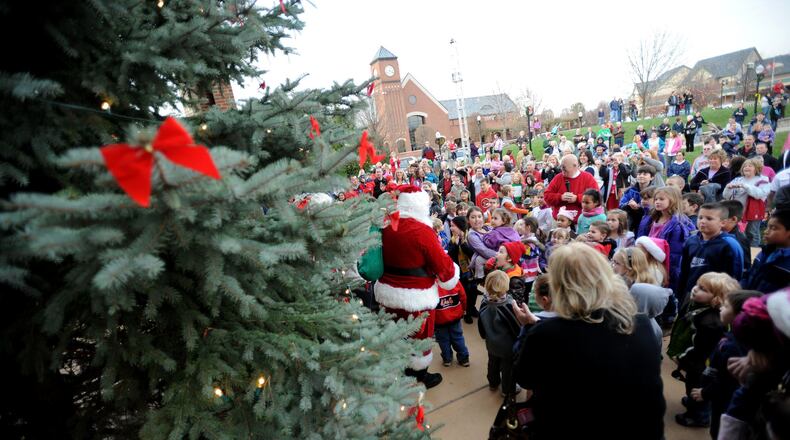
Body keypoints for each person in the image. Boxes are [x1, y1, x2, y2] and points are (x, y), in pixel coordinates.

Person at [512, 244, 665, 440]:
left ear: (560, 287)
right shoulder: (641, 324)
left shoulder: (547, 333)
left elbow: (524, 378)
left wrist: (527, 327)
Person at [374, 185, 461, 389]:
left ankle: (399, 372)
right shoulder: (422, 230)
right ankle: (419, 376)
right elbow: (443, 268)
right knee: (419, 336)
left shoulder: (386, 225)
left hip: (387, 292)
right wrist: (452, 272)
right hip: (417, 296)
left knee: (395, 333)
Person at [674, 273, 741, 428]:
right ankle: (693, 401)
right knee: (692, 385)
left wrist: (683, 358)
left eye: (703, 289)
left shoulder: (711, 323)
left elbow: (700, 349)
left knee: (698, 387)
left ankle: (699, 416)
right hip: (697, 361)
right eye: (697, 285)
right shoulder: (702, 308)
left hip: (701, 365)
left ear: (717, 298)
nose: (695, 289)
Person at [637, 186, 696, 318]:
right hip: (649, 262)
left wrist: (670, 272)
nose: (657, 202)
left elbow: (676, 252)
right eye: (656, 199)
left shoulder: (678, 224)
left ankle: (667, 317)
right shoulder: (651, 218)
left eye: (662, 199)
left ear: (673, 201)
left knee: (666, 293)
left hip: (664, 265)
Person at [677, 203, 744, 307]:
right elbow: (684, 271)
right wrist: (681, 294)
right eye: (700, 217)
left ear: (722, 222)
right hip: (690, 294)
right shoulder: (691, 241)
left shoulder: (729, 244)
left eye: (709, 218)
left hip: (715, 299)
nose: (703, 221)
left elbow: (734, 276)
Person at [478, 270, 521, 397]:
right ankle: (507, 390)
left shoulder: (484, 302)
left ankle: (493, 383)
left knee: (493, 363)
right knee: (507, 368)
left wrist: (484, 335)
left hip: (491, 343)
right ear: (505, 287)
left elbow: (480, 322)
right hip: (507, 346)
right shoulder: (508, 305)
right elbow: (515, 326)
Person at [722, 158, 771, 247]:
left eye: (750, 166)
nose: (746, 167)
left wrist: (745, 186)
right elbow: (726, 196)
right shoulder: (738, 179)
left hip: (753, 212)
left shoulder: (763, 179)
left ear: (756, 168)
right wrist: (727, 188)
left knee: (752, 233)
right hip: (737, 212)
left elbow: (759, 194)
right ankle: (742, 251)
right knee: (737, 233)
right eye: (745, 166)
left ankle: (754, 253)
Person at [740, 209, 790, 294]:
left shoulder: (787, 263)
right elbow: (748, 275)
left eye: (773, 228)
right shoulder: (764, 252)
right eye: (767, 227)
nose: (766, 231)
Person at [543, 154, 599, 220]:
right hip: (560, 221)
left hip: (581, 221)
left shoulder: (588, 178)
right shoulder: (558, 178)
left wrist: (577, 198)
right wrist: (560, 197)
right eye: (561, 167)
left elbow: (596, 198)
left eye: (564, 167)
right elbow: (546, 196)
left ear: (575, 166)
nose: (562, 170)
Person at [466, 207, 494, 323]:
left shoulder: (489, 228)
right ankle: (483, 317)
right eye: (473, 217)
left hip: (494, 265)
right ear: (468, 220)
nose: (477, 220)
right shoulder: (472, 235)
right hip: (481, 268)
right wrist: (504, 254)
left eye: (479, 216)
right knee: (486, 293)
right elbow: (484, 251)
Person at [434, 281, 470, 367]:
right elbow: (463, 296)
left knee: (443, 340)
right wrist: (464, 308)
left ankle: (447, 359)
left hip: (439, 319)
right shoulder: (454, 281)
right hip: (455, 317)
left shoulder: (431, 284)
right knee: (458, 337)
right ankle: (464, 358)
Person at [620, 165, 658, 234]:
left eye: (645, 174)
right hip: (630, 219)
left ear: (652, 177)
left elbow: (655, 208)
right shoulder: (630, 190)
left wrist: (639, 207)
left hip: (647, 220)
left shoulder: (655, 191)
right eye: (639, 174)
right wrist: (628, 204)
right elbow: (621, 205)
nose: (641, 176)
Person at [720, 200, 753, 276]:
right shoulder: (716, 234)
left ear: (733, 219)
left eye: (721, 217)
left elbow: (744, 268)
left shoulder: (739, 241)